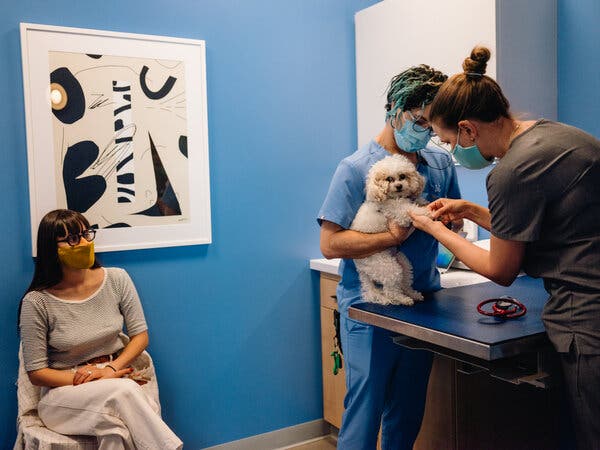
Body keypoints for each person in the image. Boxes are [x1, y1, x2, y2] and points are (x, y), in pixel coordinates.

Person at [410, 46, 600, 450]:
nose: (450, 151)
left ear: (467, 129)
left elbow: (502, 269)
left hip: (587, 319)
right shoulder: (553, 135)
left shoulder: (511, 171)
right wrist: (472, 211)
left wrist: (433, 228)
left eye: (447, 141)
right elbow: (536, 226)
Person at [318, 65, 461, 449]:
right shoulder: (355, 169)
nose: (426, 133)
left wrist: (453, 223)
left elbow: (452, 223)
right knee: (365, 411)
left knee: (408, 410)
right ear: (395, 110)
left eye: (433, 127)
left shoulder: (440, 164)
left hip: (422, 304)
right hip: (370, 305)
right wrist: (390, 236)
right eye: (420, 122)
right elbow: (330, 245)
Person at [18, 209, 183, 449]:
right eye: (73, 239)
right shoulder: (37, 302)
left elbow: (140, 336)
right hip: (63, 395)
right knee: (124, 392)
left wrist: (109, 369)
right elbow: (37, 373)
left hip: (114, 373)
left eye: (86, 234)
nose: (84, 243)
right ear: (51, 249)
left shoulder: (117, 279)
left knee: (115, 431)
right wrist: (85, 378)